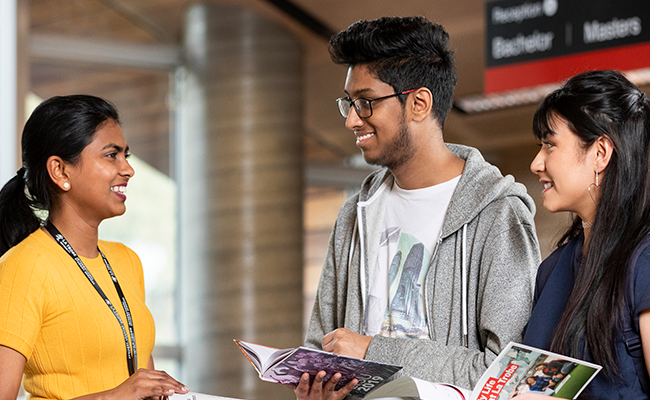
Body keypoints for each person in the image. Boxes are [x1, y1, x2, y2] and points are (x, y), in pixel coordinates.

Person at [295, 16, 541, 400]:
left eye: (365, 103)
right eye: (349, 103)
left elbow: (510, 371)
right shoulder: (355, 214)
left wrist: (375, 352)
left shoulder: (498, 214)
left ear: (419, 103)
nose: (351, 120)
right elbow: (321, 345)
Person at [0, 95, 189, 400]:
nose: (128, 169)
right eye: (111, 155)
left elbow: (138, 381)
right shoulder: (24, 266)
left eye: (126, 154)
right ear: (60, 171)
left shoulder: (127, 262)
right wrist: (112, 396)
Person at [519, 69, 650, 399]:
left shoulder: (643, 262)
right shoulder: (553, 270)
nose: (537, 163)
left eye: (550, 144)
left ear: (600, 153)